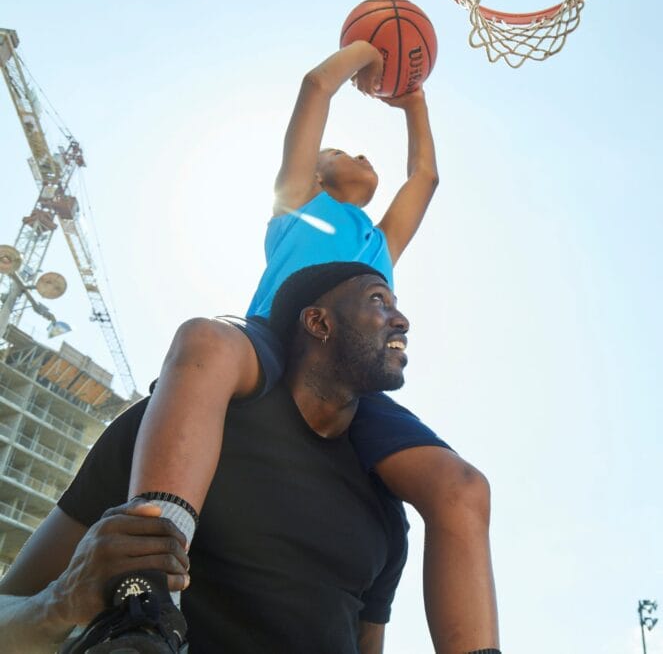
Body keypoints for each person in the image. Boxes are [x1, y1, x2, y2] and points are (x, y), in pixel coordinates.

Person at [121, 39, 497, 652]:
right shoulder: (297, 204)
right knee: (206, 341)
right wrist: (372, 48)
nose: (360, 153)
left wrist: (414, 97)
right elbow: (316, 86)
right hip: (273, 345)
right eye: (343, 150)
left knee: (462, 486)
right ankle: (143, 590)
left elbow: (425, 176)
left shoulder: (378, 244)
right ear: (318, 170)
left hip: (347, 378)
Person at [0, 263, 415, 653]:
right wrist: (57, 605)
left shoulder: (387, 511)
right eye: (379, 300)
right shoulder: (170, 431)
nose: (402, 320)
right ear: (318, 323)